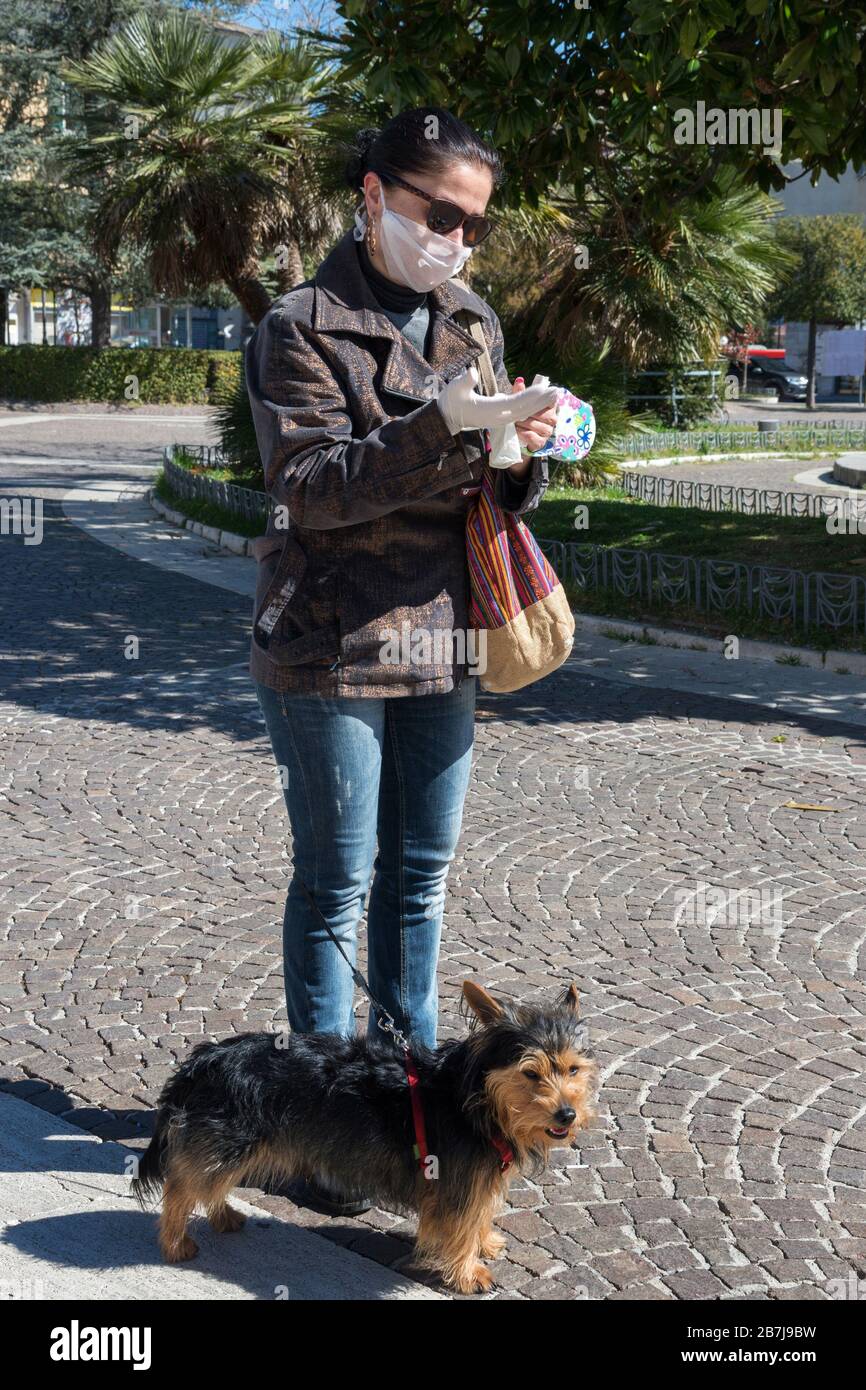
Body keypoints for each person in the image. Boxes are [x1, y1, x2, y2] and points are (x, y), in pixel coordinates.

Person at [245, 106, 557, 1212]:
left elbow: (488, 475)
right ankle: (319, 1120)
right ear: (374, 194)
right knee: (338, 878)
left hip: (446, 633)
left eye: (474, 226)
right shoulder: (300, 322)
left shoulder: (469, 317)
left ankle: (409, 1101)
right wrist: (448, 428)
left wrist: (526, 448)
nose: (457, 244)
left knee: (416, 880)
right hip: (329, 635)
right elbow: (313, 488)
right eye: (440, 215)